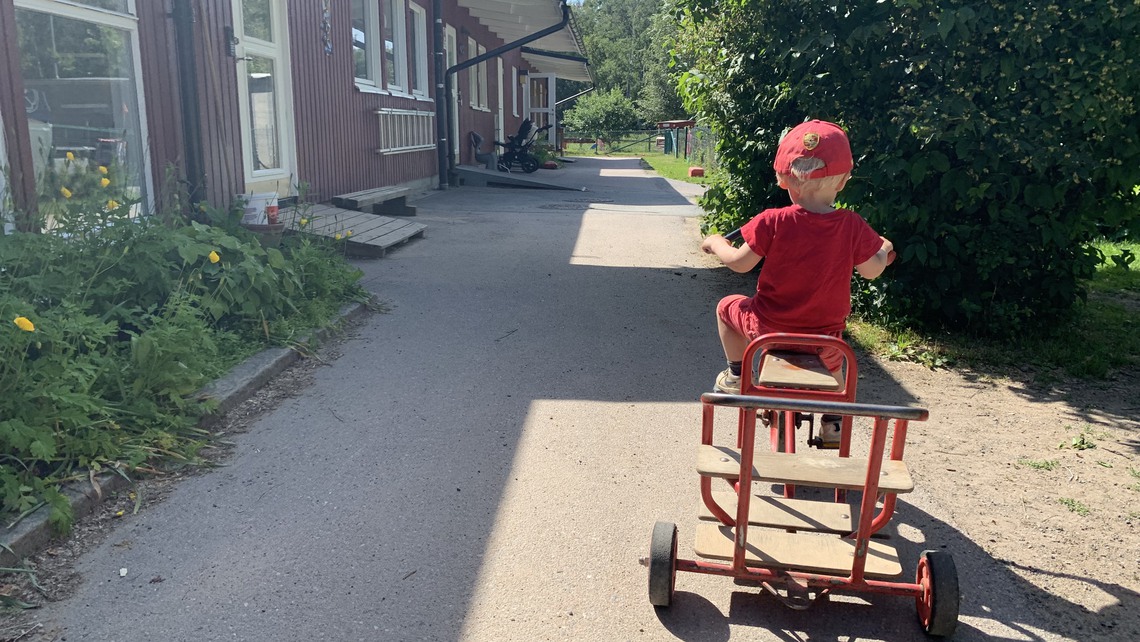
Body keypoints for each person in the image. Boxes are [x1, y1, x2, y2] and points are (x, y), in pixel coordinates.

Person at [700, 119, 894, 404]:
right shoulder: (851, 225)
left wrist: (716, 242)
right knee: (836, 360)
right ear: (843, 180)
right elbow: (872, 271)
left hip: (768, 331)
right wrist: (883, 248)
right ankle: (833, 419)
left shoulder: (772, 220)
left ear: (782, 179)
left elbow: (740, 264)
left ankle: (737, 374)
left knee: (726, 307)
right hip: (824, 340)